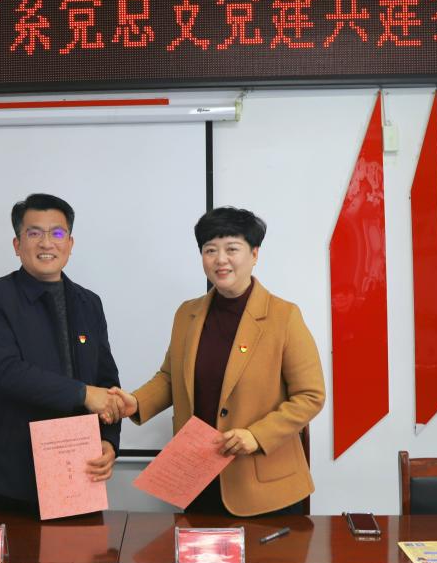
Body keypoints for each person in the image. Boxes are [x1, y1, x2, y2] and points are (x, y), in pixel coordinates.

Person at [114, 206, 325, 516]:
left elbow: (310, 395)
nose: (220, 259)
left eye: (232, 249)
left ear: (254, 254)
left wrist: (257, 435)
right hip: (197, 480)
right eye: (210, 250)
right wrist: (135, 402)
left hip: (264, 488)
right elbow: (171, 378)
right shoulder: (187, 314)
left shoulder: (284, 316)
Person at [0, 193, 122, 513]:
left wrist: (109, 440)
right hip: (15, 477)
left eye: (57, 233)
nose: (46, 243)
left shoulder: (89, 303)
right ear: (17, 244)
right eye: (34, 233)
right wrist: (83, 394)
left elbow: (106, 379)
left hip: (80, 471)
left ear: (70, 243)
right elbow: (4, 372)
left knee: (83, 547)